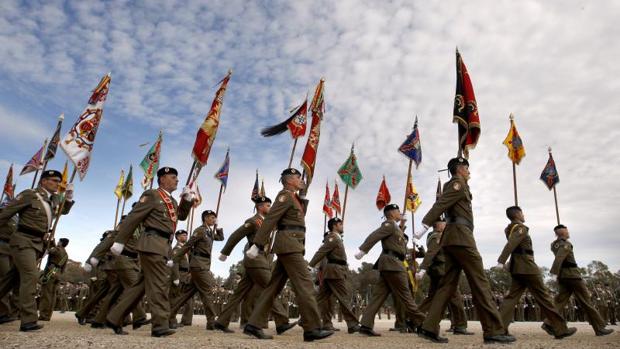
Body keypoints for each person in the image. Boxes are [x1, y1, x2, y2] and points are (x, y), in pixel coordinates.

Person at [414, 157, 514, 344]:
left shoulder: (460, 184)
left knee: (447, 285)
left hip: (453, 238)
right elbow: (440, 204)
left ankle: (429, 327)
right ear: (460, 169)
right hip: (461, 237)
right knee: (479, 282)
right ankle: (493, 330)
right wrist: (424, 225)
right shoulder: (457, 184)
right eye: (467, 168)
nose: (469, 172)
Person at [244, 168, 333, 342]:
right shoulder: (284, 195)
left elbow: (297, 217)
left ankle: (253, 325)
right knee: (305, 285)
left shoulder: (293, 197)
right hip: (289, 245)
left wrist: (303, 196)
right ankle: (312, 328)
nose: (301, 180)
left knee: (272, 288)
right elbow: (271, 219)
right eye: (298, 177)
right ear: (289, 180)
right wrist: (258, 244)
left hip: (291, 245)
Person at [106, 167, 194, 337]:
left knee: (139, 287)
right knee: (159, 285)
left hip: (162, 246)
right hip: (152, 243)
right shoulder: (153, 195)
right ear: (162, 179)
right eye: (173, 177)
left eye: (177, 177)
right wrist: (120, 241)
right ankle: (160, 325)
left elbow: (181, 217)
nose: (177, 180)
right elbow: (134, 217)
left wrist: (187, 199)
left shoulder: (172, 201)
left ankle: (114, 317)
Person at [0, 170, 75, 331]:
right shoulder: (29, 194)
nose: (57, 183)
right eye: (54, 180)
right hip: (23, 240)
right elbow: (5, 214)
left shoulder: (52, 199)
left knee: (11, 279)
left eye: (59, 181)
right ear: (44, 181)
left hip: (37, 245)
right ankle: (28, 320)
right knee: (31, 276)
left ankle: (1, 313)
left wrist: (68, 197)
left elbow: (62, 211)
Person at [214, 196, 295, 334]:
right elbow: (235, 235)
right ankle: (281, 322)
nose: (270, 208)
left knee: (239, 294)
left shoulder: (267, 222)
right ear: (260, 207)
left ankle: (221, 322)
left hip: (261, 258)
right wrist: (225, 253)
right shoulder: (253, 222)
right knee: (270, 288)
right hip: (256, 259)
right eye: (268, 206)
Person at [494, 206, 576, 339]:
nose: (523, 215)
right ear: (518, 214)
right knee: (544, 297)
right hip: (527, 267)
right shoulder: (521, 228)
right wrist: (501, 261)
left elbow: (511, 241)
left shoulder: (509, 228)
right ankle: (559, 328)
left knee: (510, 298)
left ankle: (497, 328)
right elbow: (511, 243)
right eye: (522, 213)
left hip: (517, 268)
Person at [354, 203, 425, 336]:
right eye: (398, 211)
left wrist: (402, 224)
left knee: (378, 297)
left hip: (390, 264)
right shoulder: (389, 225)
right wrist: (363, 250)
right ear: (391, 213)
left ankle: (366, 324)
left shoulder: (395, 227)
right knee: (406, 296)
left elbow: (399, 241)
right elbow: (375, 236)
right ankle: (424, 324)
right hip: (393, 265)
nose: (400, 213)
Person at [546, 224, 614, 336]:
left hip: (563, 277)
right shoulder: (566, 244)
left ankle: (548, 322)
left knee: (560, 301)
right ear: (563, 232)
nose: (568, 233)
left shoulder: (554, 244)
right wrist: (554, 272)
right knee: (586, 302)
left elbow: (558, 251)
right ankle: (599, 328)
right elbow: (559, 258)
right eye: (567, 231)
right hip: (573, 276)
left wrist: (557, 274)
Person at [416, 218, 472, 335]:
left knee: (432, 298)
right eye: (444, 223)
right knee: (456, 298)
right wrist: (422, 269)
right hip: (442, 271)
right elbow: (431, 253)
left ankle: (413, 319)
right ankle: (460, 325)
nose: (446, 225)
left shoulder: (435, 236)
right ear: (439, 225)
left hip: (438, 271)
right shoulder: (437, 237)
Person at [169, 209, 222, 330]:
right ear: (205, 218)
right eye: (212, 217)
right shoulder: (200, 231)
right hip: (199, 265)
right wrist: (175, 259)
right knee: (207, 292)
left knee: (186, 294)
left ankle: (168, 315)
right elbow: (188, 245)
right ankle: (211, 321)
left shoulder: (209, 232)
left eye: (215, 218)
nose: (214, 219)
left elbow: (220, 238)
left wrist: (218, 227)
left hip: (203, 265)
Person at [309, 217, 360, 333]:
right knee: (343, 298)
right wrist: (310, 265)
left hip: (334, 271)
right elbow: (321, 252)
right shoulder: (332, 238)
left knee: (321, 299)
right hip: (335, 272)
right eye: (340, 224)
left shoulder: (337, 238)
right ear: (334, 226)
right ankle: (352, 324)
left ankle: (306, 319)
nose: (342, 226)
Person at [38, 237, 70, 321]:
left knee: (46, 294)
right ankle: (48, 315)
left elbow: (49, 251)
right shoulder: (66, 254)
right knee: (53, 295)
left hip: (51, 271)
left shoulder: (57, 249)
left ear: (61, 242)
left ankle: (43, 315)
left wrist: (51, 244)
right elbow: (64, 267)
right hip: (58, 272)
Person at [169, 230, 193, 328]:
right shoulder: (176, 249)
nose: (185, 237)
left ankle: (186, 320)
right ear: (178, 237)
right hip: (179, 274)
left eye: (186, 235)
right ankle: (171, 320)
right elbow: (175, 263)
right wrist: (176, 277)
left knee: (188, 299)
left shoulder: (186, 249)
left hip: (187, 275)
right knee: (175, 299)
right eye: (183, 235)